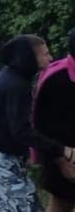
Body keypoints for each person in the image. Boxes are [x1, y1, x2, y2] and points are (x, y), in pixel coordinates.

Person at [0, 35, 73, 212]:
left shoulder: (8, 75)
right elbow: (21, 131)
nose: (51, 58)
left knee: (7, 206)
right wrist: (62, 150)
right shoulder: (16, 86)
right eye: (45, 54)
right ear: (29, 58)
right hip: (2, 158)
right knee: (27, 207)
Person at [34, 28, 75, 212]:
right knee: (62, 204)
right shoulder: (56, 79)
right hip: (64, 157)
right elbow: (41, 125)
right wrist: (60, 161)